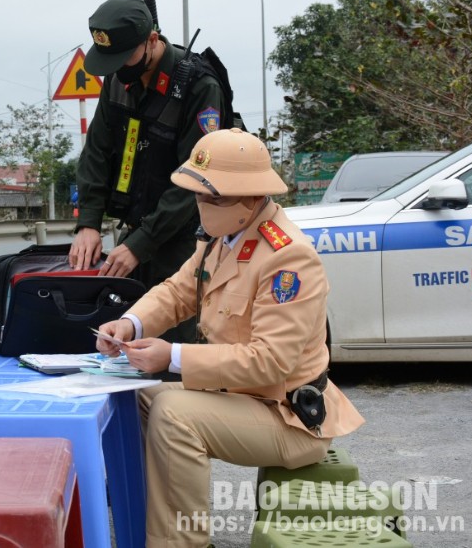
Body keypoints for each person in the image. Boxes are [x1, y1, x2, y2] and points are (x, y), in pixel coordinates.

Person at [95, 128, 365, 548]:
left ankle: (182, 543)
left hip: (287, 416)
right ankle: (141, 522)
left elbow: (270, 361)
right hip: (244, 398)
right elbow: (179, 291)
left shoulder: (288, 257)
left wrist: (172, 356)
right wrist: (131, 323)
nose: (201, 206)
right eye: (198, 196)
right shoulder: (224, 238)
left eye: (213, 198)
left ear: (252, 198)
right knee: (134, 400)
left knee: (173, 412)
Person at [70, 0, 229, 344]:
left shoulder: (199, 87)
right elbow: (96, 152)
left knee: (173, 349)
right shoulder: (117, 81)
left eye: (123, 57)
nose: (116, 68)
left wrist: (141, 244)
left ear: (152, 41)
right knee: (122, 344)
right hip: (138, 234)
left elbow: (195, 179)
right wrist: (88, 223)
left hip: (186, 241)